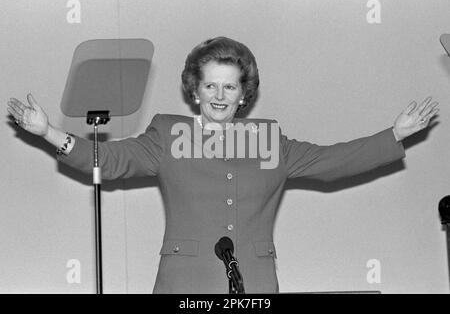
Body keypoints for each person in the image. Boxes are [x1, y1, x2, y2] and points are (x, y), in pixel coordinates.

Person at [6, 37, 439, 293]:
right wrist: (47, 132)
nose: (219, 95)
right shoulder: (169, 133)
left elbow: (330, 161)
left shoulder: (269, 138)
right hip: (185, 281)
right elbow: (112, 160)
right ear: (194, 90)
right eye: (210, 85)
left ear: (243, 94)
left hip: (253, 280)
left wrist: (395, 134)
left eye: (229, 87)